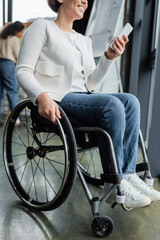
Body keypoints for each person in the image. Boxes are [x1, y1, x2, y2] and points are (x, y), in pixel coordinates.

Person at [16, 0, 160, 208]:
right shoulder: (42, 27)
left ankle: (127, 175)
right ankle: (113, 182)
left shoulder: (83, 41)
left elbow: (90, 83)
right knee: (112, 105)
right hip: (56, 99)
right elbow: (23, 70)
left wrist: (108, 58)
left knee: (130, 101)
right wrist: (41, 96)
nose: (85, 0)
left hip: (80, 97)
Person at [0, 21, 25, 126]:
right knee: (12, 91)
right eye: (21, 32)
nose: (22, 34)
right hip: (8, 65)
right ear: (17, 31)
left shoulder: (1, 37)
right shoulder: (14, 39)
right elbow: (18, 55)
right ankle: (16, 120)